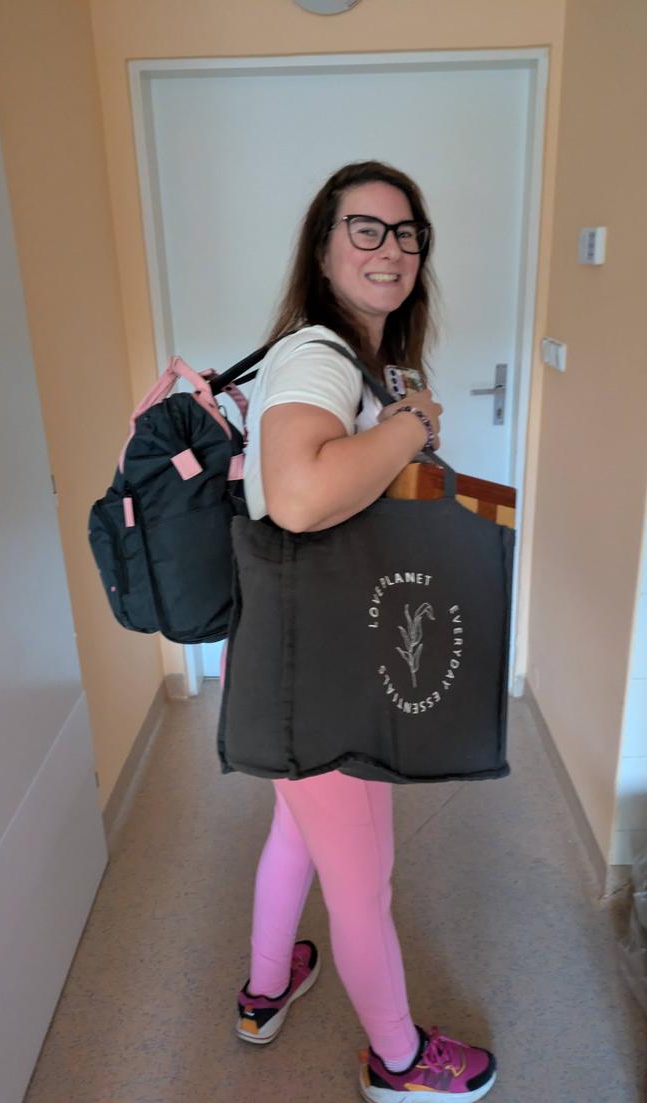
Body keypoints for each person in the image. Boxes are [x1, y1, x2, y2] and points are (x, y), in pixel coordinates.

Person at [231, 161, 497, 1102]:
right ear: (324, 248)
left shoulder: (344, 360)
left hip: (292, 657)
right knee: (362, 879)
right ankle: (398, 1058)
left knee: (296, 831)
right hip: (324, 674)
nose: (392, 250)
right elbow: (301, 499)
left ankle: (265, 989)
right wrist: (411, 424)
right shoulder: (320, 355)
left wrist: (390, 420)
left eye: (407, 232)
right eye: (366, 229)